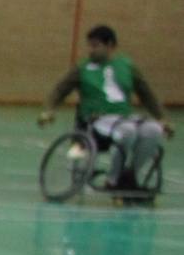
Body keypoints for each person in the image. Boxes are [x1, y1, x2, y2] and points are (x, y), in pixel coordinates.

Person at [40, 24, 171, 190]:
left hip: (124, 117)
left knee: (153, 130)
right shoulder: (83, 68)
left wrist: (162, 118)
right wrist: (48, 111)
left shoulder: (126, 65)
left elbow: (146, 93)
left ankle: (130, 175)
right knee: (128, 130)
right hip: (97, 121)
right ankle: (113, 180)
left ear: (110, 45)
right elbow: (60, 90)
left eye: (95, 46)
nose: (90, 50)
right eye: (89, 46)